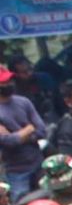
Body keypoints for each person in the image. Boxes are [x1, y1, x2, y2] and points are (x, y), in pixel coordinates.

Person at [0, 66, 46, 198]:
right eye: (4, 82)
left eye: (9, 80)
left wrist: (19, 136)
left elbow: (41, 130)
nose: (9, 84)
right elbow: (8, 142)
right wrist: (29, 128)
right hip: (16, 171)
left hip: (38, 163)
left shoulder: (23, 102)